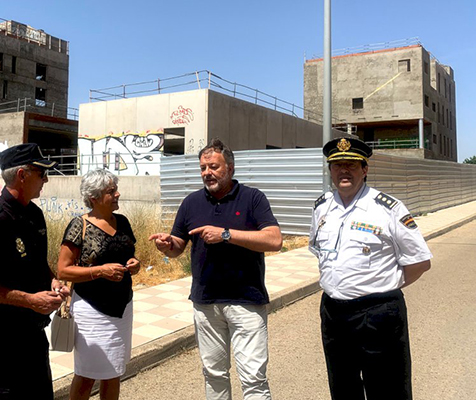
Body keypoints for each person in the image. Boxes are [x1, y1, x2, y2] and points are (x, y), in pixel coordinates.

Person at [149, 138, 282, 400]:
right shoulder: (191, 202)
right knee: (213, 374)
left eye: (213, 167)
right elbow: (178, 246)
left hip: (246, 302)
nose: (207, 173)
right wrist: (167, 245)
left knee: (253, 378)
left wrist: (225, 234)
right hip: (206, 303)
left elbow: (274, 240)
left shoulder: (252, 198)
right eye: (203, 168)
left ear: (230, 168)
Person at [309, 137, 432, 400]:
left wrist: (383, 286)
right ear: (330, 170)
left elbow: (420, 261)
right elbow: (318, 251)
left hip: (378, 314)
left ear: (364, 169)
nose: (344, 170)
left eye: (352, 165)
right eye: (338, 165)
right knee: (342, 387)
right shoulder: (321, 208)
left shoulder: (387, 208)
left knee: (388, 389)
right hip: (333, 313)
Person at [0, 143, 70, 400]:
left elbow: (37, 262)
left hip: (34, 335)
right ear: (22, 175)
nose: (46, 180)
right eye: (41, 173)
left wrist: (53, 281)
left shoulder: (34, 214)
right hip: (4, 341)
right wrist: (30, 300)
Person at [57, 169, 140, 400]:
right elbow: (63, 270)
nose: (117, 194)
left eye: (116, 189)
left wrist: (135, 264)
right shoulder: (79, 225)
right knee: (87, 374)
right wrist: (100, 271)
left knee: (113, 371)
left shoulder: (122, 222)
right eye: (111, 191)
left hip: (122, 308)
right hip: (92, 311)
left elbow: (129, 255)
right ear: (94, 197)